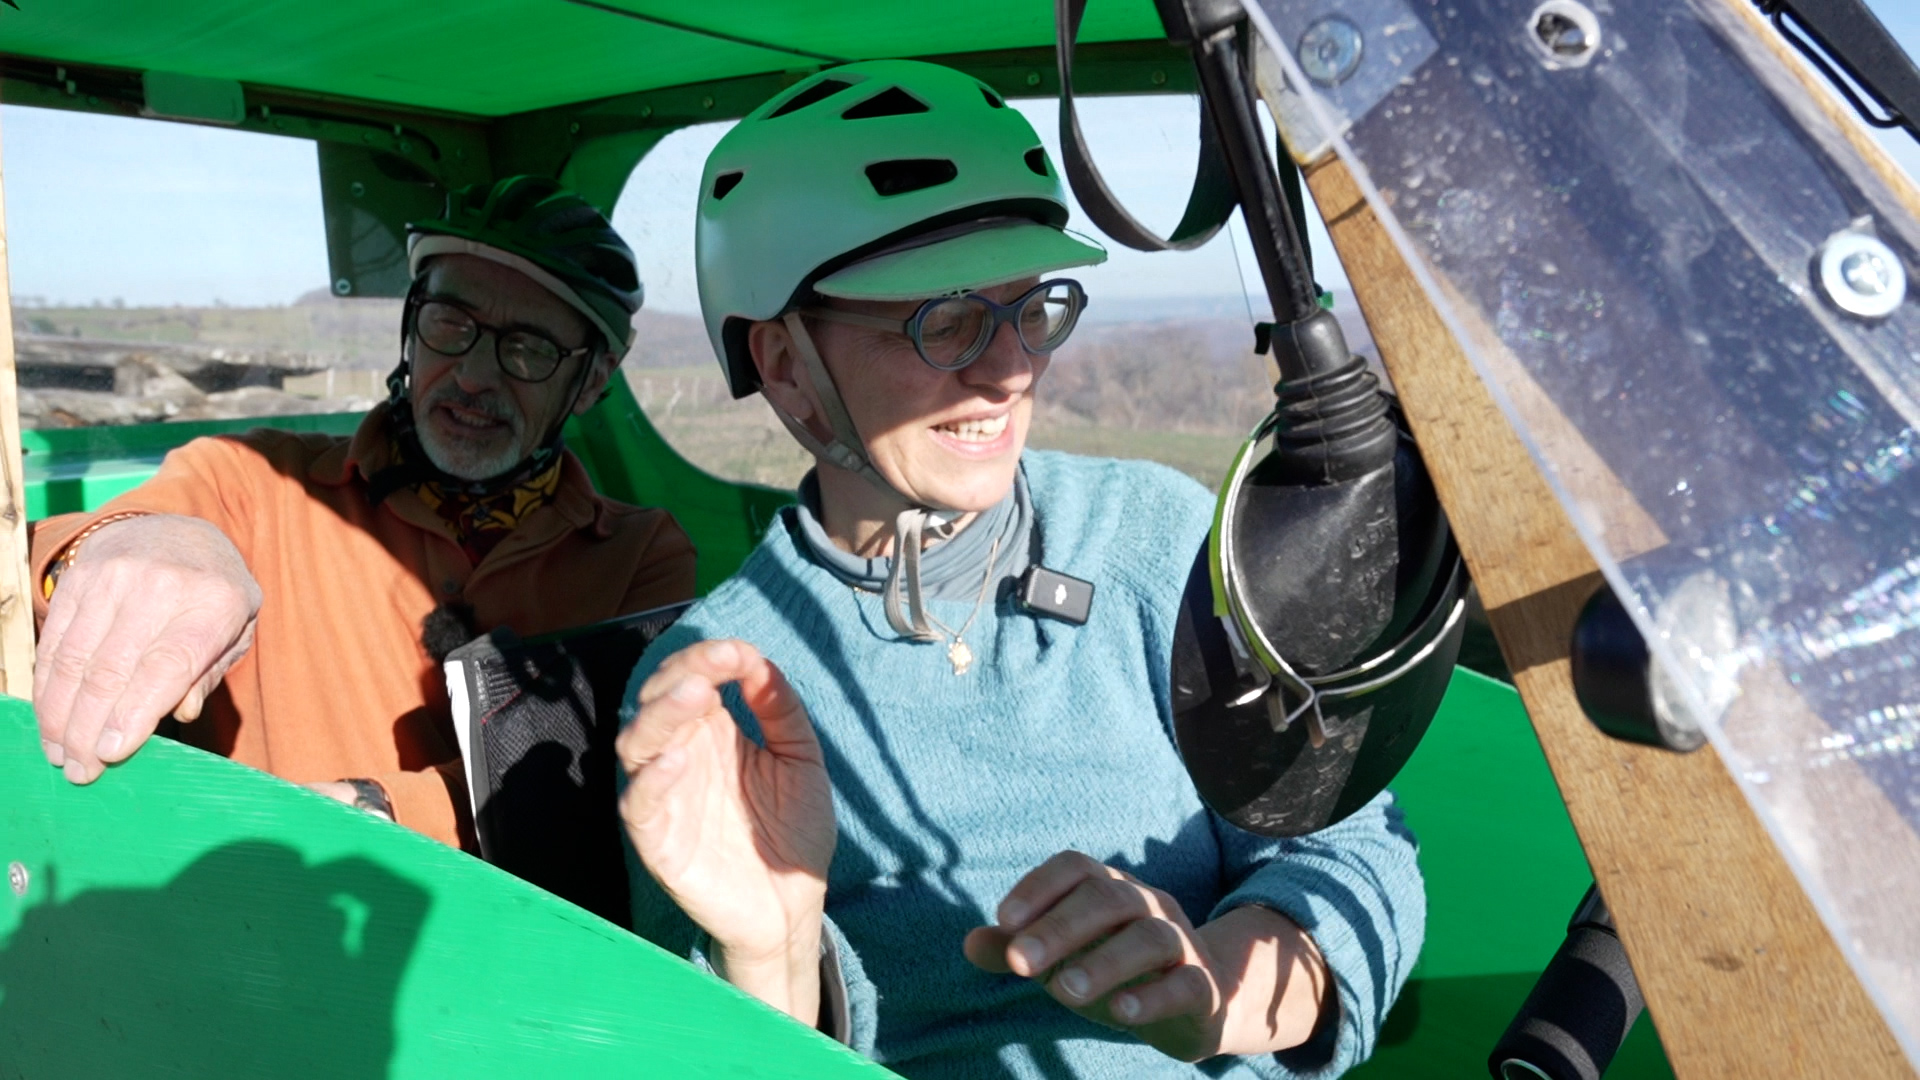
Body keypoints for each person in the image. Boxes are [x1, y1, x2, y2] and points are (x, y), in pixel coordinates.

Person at [617, 61, 1421, 1078]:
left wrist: (1215, 989)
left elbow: (1354, 855)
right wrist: (769, 958)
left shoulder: (1153, 540)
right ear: (784, 364)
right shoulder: (718, 689)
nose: (1008, 370)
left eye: (1028, 308)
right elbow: (706, 1058)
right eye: (943, 322)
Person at [32, 176, 696, 849]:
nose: (471, 376)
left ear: (591, 382)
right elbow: (70, 554)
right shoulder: (258, 479)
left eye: (526, 350)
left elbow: (605, 769)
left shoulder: (639, 556)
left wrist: (378, 809)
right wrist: (145, 543)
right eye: (450, 325)